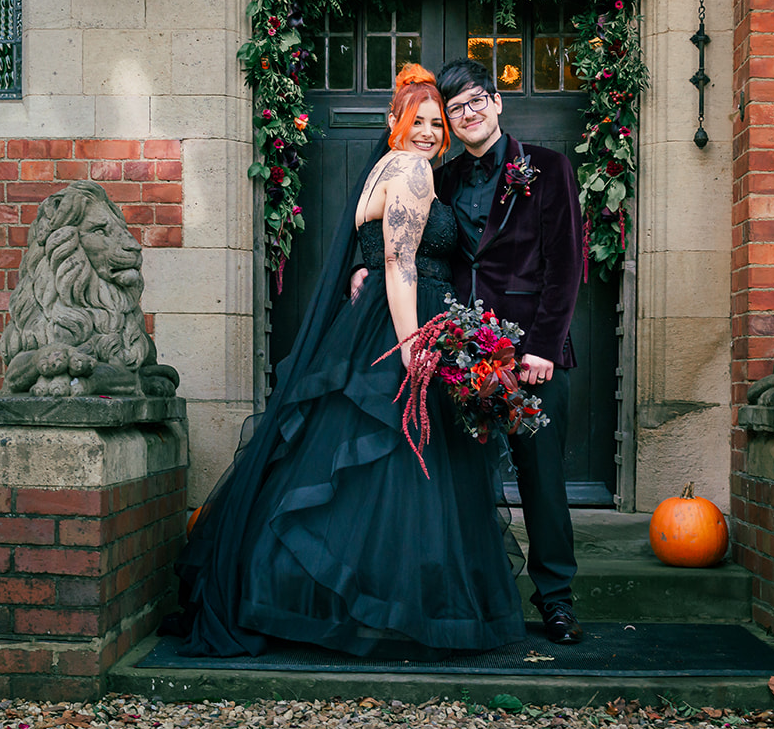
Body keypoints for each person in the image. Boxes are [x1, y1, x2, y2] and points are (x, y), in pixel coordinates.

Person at [165, 63, 524, 660]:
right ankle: (388, 610)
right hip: (404, 326)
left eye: (439, 123)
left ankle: (352, 601)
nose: (432, 132)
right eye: (420, 121)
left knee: (368, 473)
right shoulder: (409, 169)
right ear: (394, 122)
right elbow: (400, 264)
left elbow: (371, 248)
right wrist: (413, 350)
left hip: (381, 324)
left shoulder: (384, 168)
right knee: (400, 466)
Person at [434, 57, 586, 645]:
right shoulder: (441, 179)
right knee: (464, 482)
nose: (467, 114)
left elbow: (565, 265)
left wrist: (544, 346)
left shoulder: (545, 168)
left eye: (475, 101)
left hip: (531, 356)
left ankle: (556, 601)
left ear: (497, 102)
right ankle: (474, 594)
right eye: (455, 109)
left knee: (541, 482)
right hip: (462, 357)